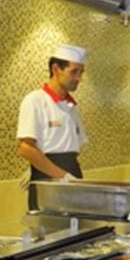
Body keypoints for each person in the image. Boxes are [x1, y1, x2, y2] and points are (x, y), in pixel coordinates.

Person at [17, 44, 88, 210]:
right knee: (51, 226)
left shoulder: (71, 107)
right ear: (56, 69)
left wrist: (67, 176)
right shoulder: (35, 100)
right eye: (74, 72)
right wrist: (58, 174)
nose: (79, 78)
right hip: (49, 185)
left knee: (77, 224)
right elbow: (25, 147)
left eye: (81, 72)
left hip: (71, 177)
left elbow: (70, 149)